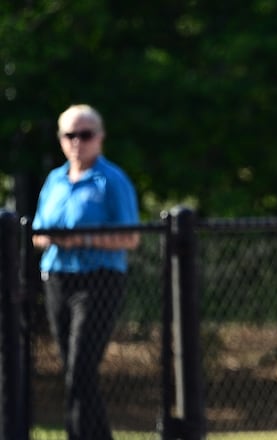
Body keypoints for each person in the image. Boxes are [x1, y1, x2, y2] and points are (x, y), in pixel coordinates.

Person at [31, 104, 140, 440]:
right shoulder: (54, 180)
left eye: (85, 134)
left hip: (98, 281)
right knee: (77, 371)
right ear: (61, 140)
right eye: (70, 135)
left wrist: (86, 238)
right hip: (57, 278)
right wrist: (53, 238)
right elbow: (36, 233)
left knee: (80, 368)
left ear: (100, 137)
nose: (77, 141)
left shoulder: (112, 180)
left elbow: (131, 236)